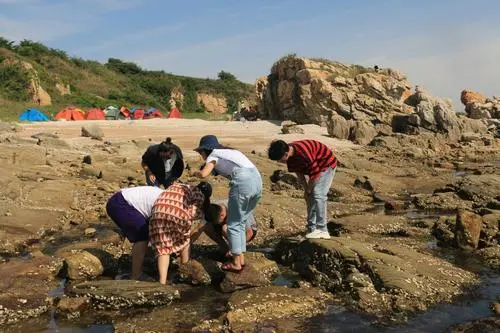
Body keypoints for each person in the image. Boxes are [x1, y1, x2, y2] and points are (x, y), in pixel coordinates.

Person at [191, 135, 262, 273]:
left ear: (206, 150)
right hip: (257, 182)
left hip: (243, 182)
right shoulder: (232, 152)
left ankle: (236, 263)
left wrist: (196, 173)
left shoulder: (214, 154)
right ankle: (240, 258)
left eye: (201, 152)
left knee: (234, 224)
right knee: (241, 222)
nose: (201, 156)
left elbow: (204, 174)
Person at [267, 139, 338, 239]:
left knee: (318, 195)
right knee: (310, 196)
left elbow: (316, 174)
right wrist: (306, 190)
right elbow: (299, 173)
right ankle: (311, 229)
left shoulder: (304, 154)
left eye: (279, 159)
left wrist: (309, 189)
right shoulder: (290, 156)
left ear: (286, 154)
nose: (279, 162)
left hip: (326, 164)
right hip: (315, 167)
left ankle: (323, 229)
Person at [149, 181, 212, 285]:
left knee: (163, 249)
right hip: (177, 213)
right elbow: (193, 213)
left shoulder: (180, 186)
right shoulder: (200, 195)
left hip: (158, 210)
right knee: (185, 239)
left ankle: (162, 282)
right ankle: (185, 267)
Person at [106, 186, 163, 280]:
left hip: (120, 200)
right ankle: (136, 275)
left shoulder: (168, 198)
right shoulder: (167, 206)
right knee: (142, 236)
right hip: (120, 203)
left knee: (148, 232)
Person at [191, 199, 258, 256]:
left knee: (225, 228)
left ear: (222, 215)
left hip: (247, 230)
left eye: (216, 221)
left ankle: (235, 253)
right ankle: (224, 248)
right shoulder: (212, 210)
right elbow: (198, 229)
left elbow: (249, 233)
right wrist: (186, 245)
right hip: (228, 224)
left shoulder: (236, 209)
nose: (215, 223)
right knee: (207, 226)